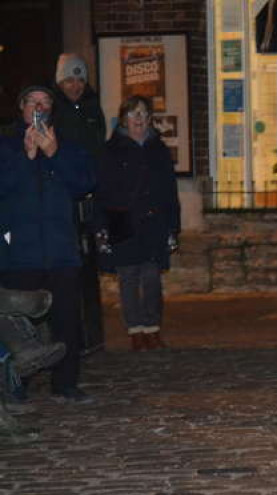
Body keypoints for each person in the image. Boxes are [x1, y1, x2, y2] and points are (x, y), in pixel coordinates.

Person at [0, 86, 96, 402]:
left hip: (60, 251)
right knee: (18, 323)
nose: (39, 108)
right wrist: (27, 157)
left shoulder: (69, 147)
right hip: (21, 253)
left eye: (45, 103)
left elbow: (84, 184)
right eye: (33, 102)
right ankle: (17, 384)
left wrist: (54, 154)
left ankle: (65, 384)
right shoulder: (6, 147)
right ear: (22, 107)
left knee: (66, 320)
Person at [96, 95, 181, 351]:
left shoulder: (159, 149)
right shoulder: (111, 150)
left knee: (152, 276)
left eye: (144, 114)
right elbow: (102, 190)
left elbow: (169, 190)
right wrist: (101, 226)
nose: (139, 120)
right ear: (124, 119)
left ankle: (152, 327)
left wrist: (173, 226)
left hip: (154, 220)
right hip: (122, 219)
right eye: (134, 115)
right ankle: (135, 330)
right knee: (129, 278)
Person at [51, 53, 108, 354]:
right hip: (65, 198)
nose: (75, 85)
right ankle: (71, 338)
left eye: (80, 79)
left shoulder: (90, 108)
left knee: (89, 267)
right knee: (68, 268)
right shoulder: (55, 111)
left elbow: (97, 148)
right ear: (60, 81)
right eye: (69, 79)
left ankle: (92, 336)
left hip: (90, 196)